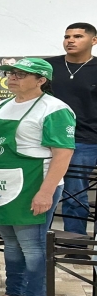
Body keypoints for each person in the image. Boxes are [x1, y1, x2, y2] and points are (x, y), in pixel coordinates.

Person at [0, 58, 75, 296]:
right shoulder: (0, 106)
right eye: (10, 73)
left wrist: (46, 192)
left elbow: (63, 153)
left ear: (41, 80)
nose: (12, 77)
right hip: (0, 186)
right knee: (12, 245)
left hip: (33, 185)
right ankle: (14, 292)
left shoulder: (54, 109)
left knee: (33, 246)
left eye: (21, 74)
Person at [45, 23, 97, 240]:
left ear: (93, 41)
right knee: (43, 188)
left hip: (84, 140)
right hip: (47, 139)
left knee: (74, 193)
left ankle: (73, 244)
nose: (70, 40)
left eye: (78, 36)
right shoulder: (49, 66)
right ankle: (40, 238)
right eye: (67, 36)